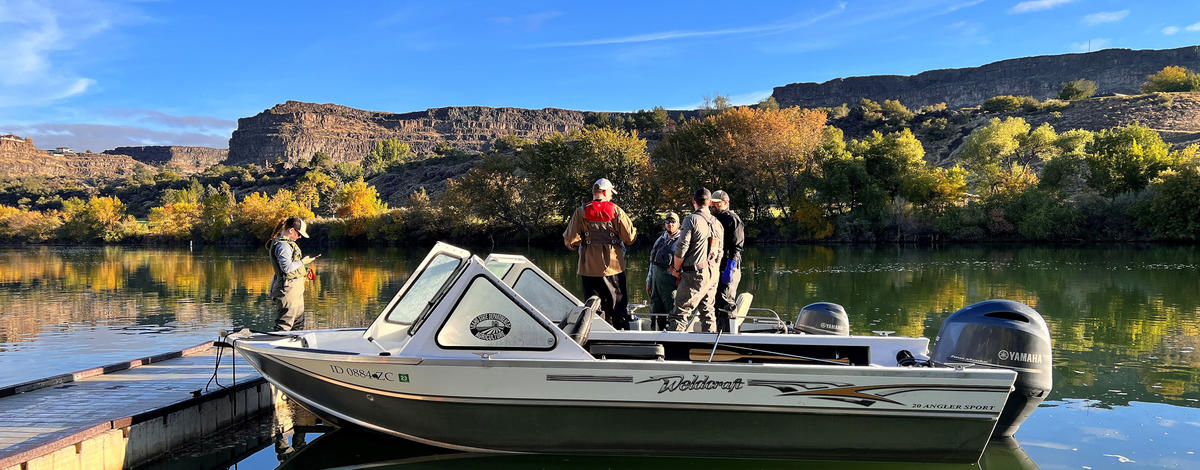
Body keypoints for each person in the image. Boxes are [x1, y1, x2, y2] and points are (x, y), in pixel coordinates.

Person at [563, 178, 637, 329]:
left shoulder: (580, 211)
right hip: (613, 268)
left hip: (588, 268)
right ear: (605, 192)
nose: (611, 196)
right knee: (617, 305)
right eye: (610, 192)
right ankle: (621, 335)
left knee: (593, 307)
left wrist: (579, 243)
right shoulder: (616, 210)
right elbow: (629, 238)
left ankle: (597, 333)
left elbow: (569, 239)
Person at [667, 188, 723, 332]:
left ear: (694, 201)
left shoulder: (691, 219)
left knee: (679, 314)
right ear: (709, 202)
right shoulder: (717, 223)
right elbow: (720, 252)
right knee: (708, 313)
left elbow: (681, 248)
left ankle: (674, 349)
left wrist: (676, 269)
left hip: (695, 274)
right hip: (712, 274)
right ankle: (709, 348)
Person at [268, 217, 319, 331]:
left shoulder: (285, 243)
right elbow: (286, 268)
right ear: (291, 230)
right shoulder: (283, 246)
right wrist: (303, 262)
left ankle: (295, 347)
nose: (300, 236)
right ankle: (276, 347)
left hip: (295, 290)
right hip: (287, 290)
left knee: (298, 323)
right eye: (299, 233)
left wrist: (304, 266)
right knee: (284, 325)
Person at [710, 190, 745, 333]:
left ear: (725, 203)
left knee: (726, 301)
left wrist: (731, 267)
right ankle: (719, 330)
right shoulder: (713, 219)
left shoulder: (733, 219)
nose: (713, 206)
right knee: (716, 301)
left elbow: (737, 246)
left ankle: (729, 334)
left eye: (717, 203)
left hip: (729, 266)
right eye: (712, 203)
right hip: (716, 266)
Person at [646, 211, 681, 330]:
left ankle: (672, 336)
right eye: (667, 222)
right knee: (655, 310)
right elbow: (652, 263)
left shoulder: (682, 241)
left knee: (672, 310)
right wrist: (649, 281)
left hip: (671, 283)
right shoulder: (660, 240)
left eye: (673, 222)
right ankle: (655, 336)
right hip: (656, 281)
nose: (670, 224)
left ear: (678, 224)